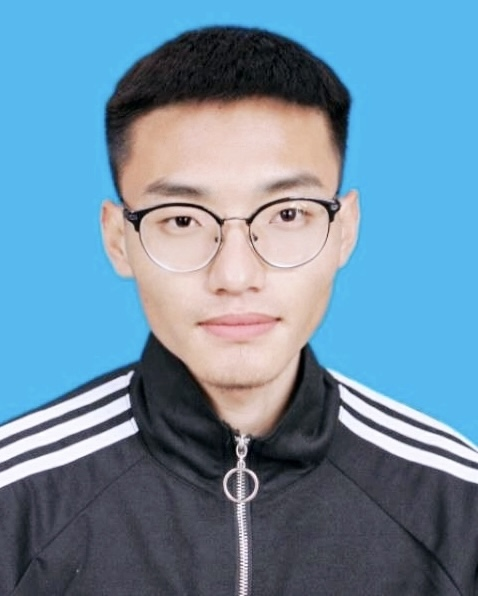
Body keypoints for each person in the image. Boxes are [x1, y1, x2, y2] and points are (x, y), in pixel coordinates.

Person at [0, 25, 477, 596]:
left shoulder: (456, 504)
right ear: (117, 240)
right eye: (182, 219)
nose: (235, 276)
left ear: (344, 231)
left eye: (287, 214)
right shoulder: (17, 504)